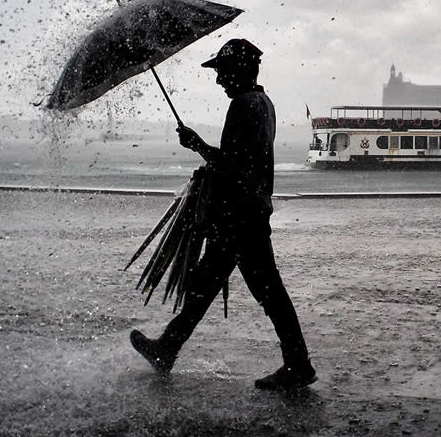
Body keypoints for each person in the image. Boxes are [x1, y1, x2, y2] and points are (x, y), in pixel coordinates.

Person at [130, 38, 316, 390]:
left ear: (242, 70)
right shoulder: (265, 103)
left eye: (224, 72)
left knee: (269, 292)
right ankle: (167, 348)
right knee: (204, 286)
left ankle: (298, 365)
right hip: (247, 214)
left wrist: (197, 144)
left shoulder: (243, 106)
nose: (219, 80)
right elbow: (245, 160)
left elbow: (231, 165)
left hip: (241, 219)